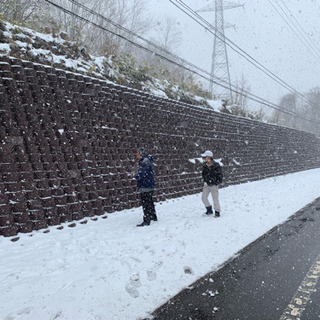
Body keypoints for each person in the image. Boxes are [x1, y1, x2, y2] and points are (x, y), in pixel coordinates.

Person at [131, 147, 157, 227]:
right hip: (149, 184)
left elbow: (142, 174)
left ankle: (147, 220)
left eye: (137, 153)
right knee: (149, 202)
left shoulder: (145, 162)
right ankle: (153, 216)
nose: (136, 155)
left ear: (141, 153)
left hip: (145, 185)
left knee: (145, 203)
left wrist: (134, 175)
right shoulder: (147, 160)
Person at [201, 150, 223, 218]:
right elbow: (203, 174)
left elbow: (220, 175)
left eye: (205, 157)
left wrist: (215, 182)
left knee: (215, 199)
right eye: (203, 157)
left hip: (213, 185)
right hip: (206, 184)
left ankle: (217, 211)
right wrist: (205, 180)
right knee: (203, 198)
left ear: (209, 157)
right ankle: (209, 209)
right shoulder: (204, 165)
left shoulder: (216, 165)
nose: (204, 159)